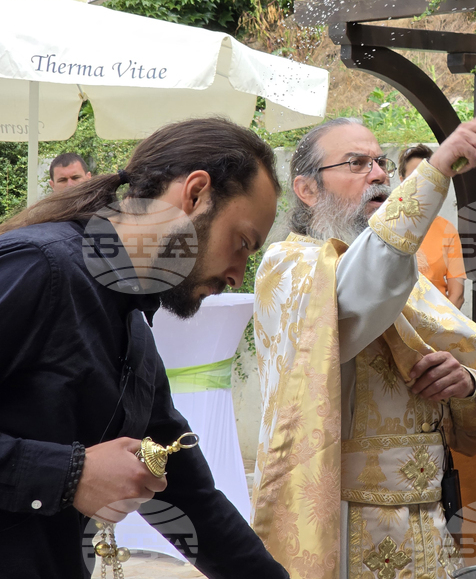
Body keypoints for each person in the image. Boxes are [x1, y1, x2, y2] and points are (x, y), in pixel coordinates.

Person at [0, 118, 289, 579]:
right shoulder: (40, 269)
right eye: (240, 243)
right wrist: (68, 475)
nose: (238, 274)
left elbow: (189, 499)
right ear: (195, 194)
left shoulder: (133, 329)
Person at [252, 114, 476, 579]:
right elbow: (361, 293)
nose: (378, 174)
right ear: (307, 189)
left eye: (380, 162)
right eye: (356, 163)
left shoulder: (407, 277)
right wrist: (435, 170)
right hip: (345, 523)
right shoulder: (288, 267)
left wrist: (466, 386)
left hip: (430, 521)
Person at [398, 144, 467, 307]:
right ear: (401, 181)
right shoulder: (385, 225)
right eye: (414, 177)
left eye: (427, 177)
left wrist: (439, 330)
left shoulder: (447, 230)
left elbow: (457, 295)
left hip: (437, 324)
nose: (421, 184)